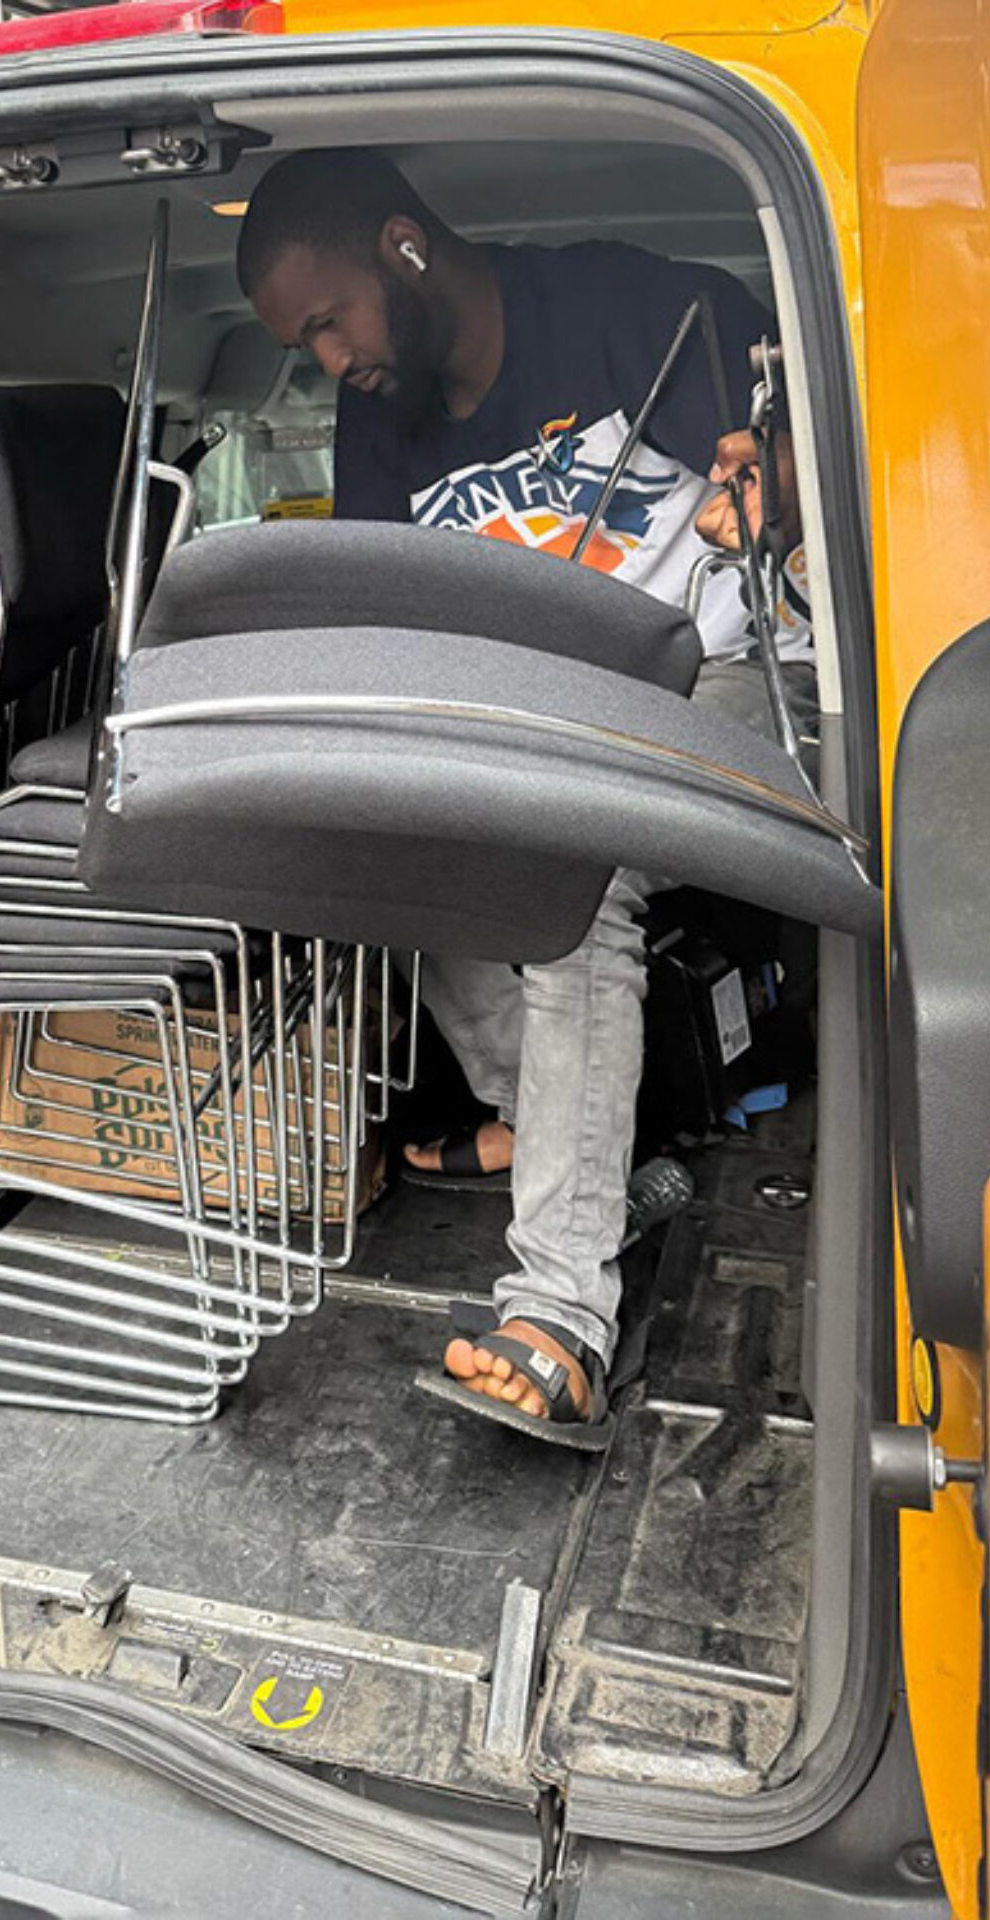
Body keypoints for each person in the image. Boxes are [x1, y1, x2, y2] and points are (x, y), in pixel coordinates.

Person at [236, 149, 816, 1446]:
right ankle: (538, 1113)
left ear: (404, 247)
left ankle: (559, 1312)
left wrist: (780, 491)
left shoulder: (639, 312)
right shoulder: (382, 418)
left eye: (330, 320)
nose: (330, 359)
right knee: (401, 834)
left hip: (724, 678)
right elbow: (391, 608)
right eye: (302, 344)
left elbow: (801, 481)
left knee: (573, 864)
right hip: (544, 723)